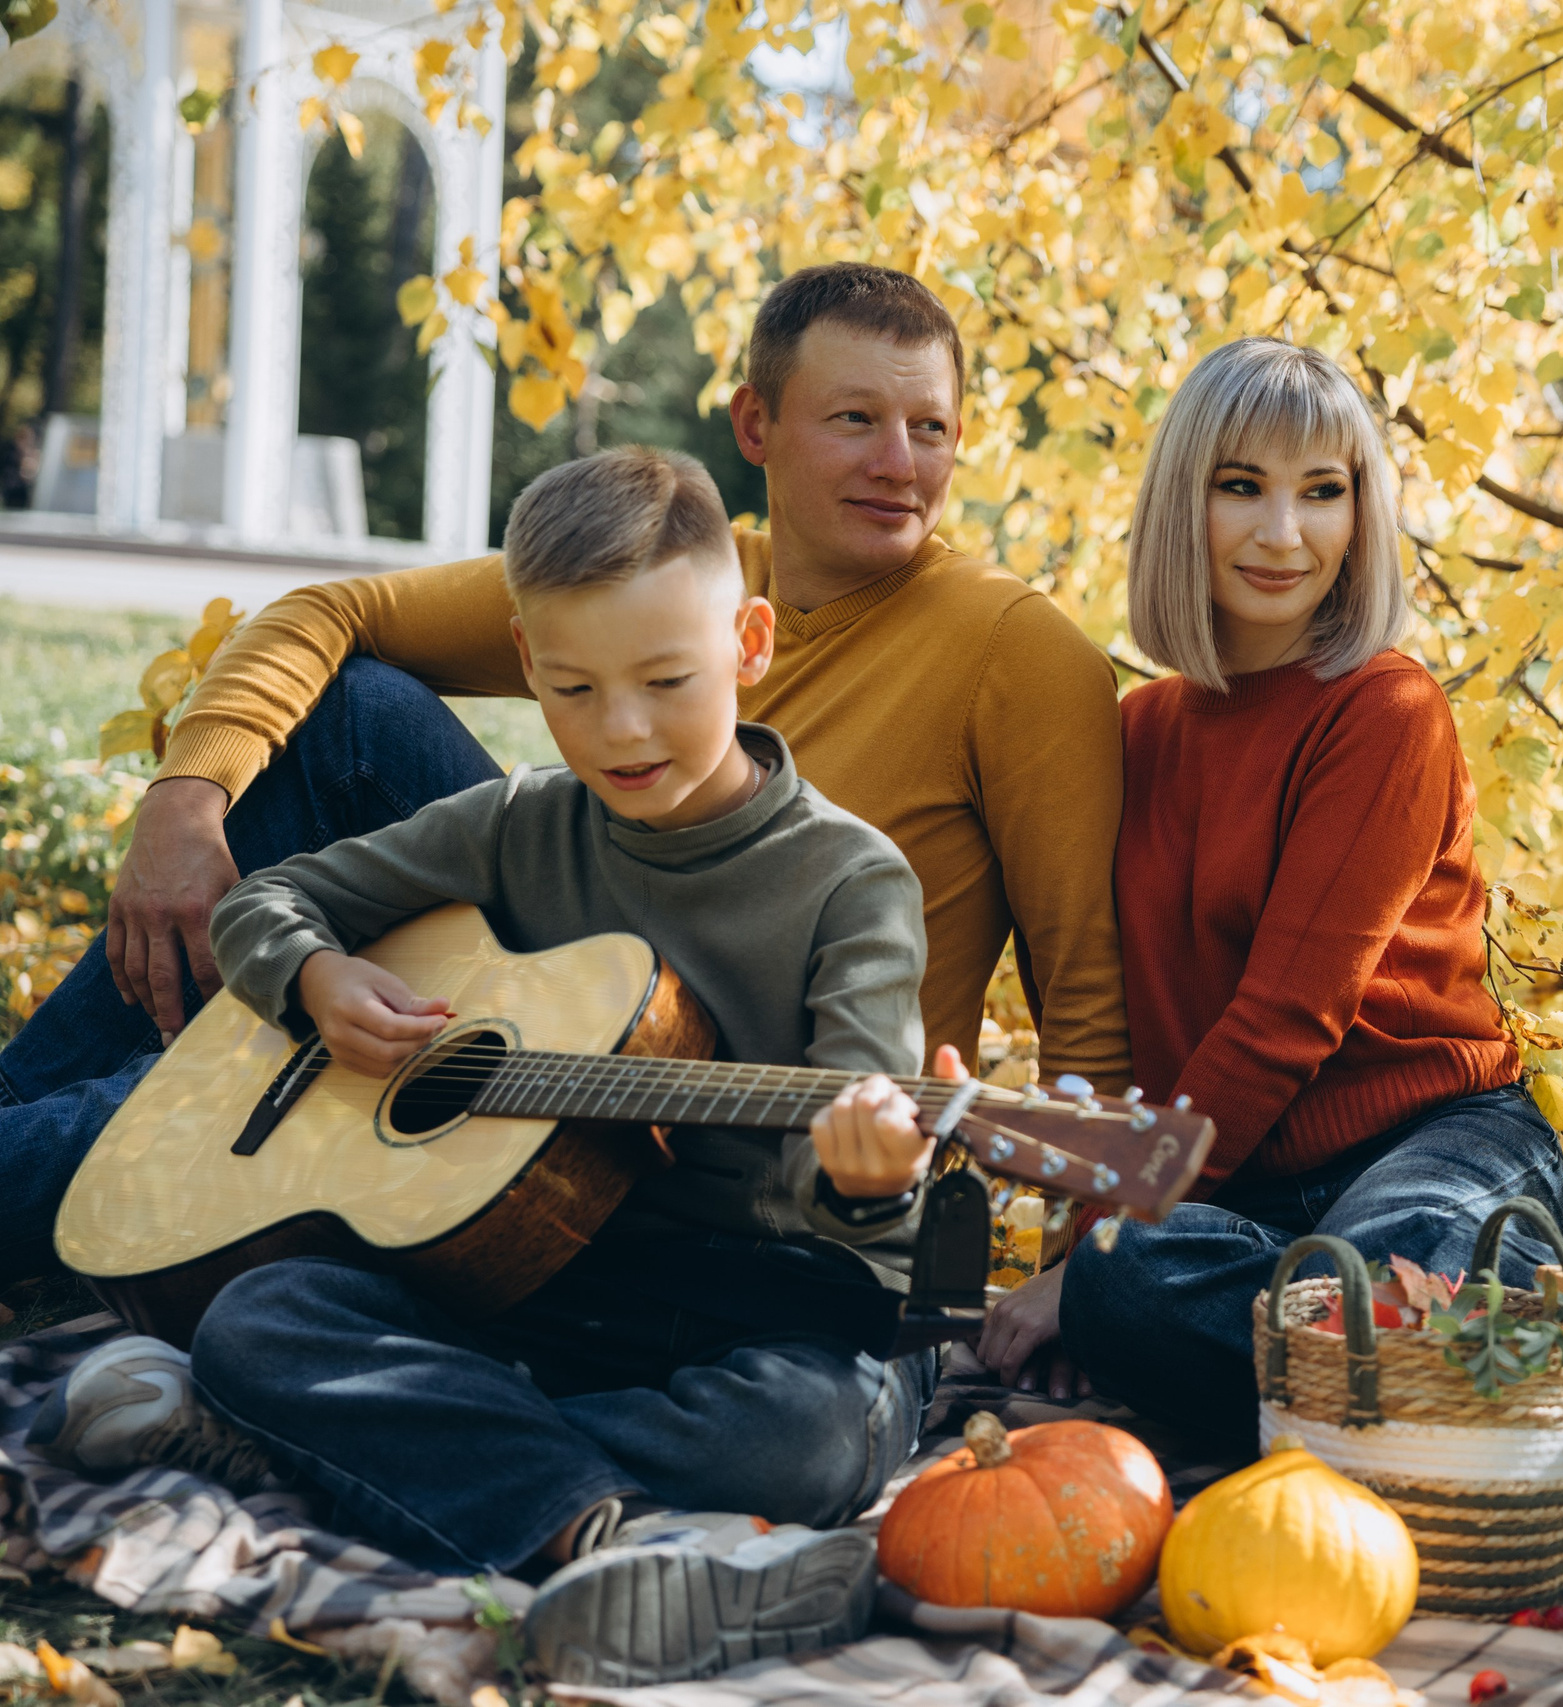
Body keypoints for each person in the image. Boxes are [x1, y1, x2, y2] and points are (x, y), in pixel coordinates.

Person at [0, 263, 1127, 1287]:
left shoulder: (1015, 650)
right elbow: (329, 609)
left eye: (931, 428)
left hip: (754, 1140)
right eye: (855, 419)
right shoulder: (662, 582)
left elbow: (1083, 995)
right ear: (756, 423)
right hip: (535, 995)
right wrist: (184, 805)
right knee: (356, 714)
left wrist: (1074, 1282)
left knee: (204, 1124)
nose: (899, 463)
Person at [35, 447, 964, 1684]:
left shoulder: (850, 884)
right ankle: (607, 1527)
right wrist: (317, 980)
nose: (621, 729)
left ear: (748, 643)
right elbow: (268, 902)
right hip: (545, 1282)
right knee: (265, 1314)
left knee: (806, 1440)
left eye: (666, 681)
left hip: (767, 1300)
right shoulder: (523, 821)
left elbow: (869, 1224)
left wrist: (870, 1174)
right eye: (575, 688)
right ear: (527, 664)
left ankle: (369, 1446)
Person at [975, 339, 1563, 1451]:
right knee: (1130, 1283)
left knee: (1382, 1294)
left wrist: (1096, 1263)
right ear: (1182, 502)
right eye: (1241, 486)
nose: (1284, 533)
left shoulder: (1385, 711)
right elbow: (1103, 1011)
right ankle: (1442, 1388)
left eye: (1322, 492)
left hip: (1430, 1148)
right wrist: (1088, 1268)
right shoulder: (1132, 735)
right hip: (1234, 1190)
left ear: (1359, 515)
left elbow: (1286, 1016)